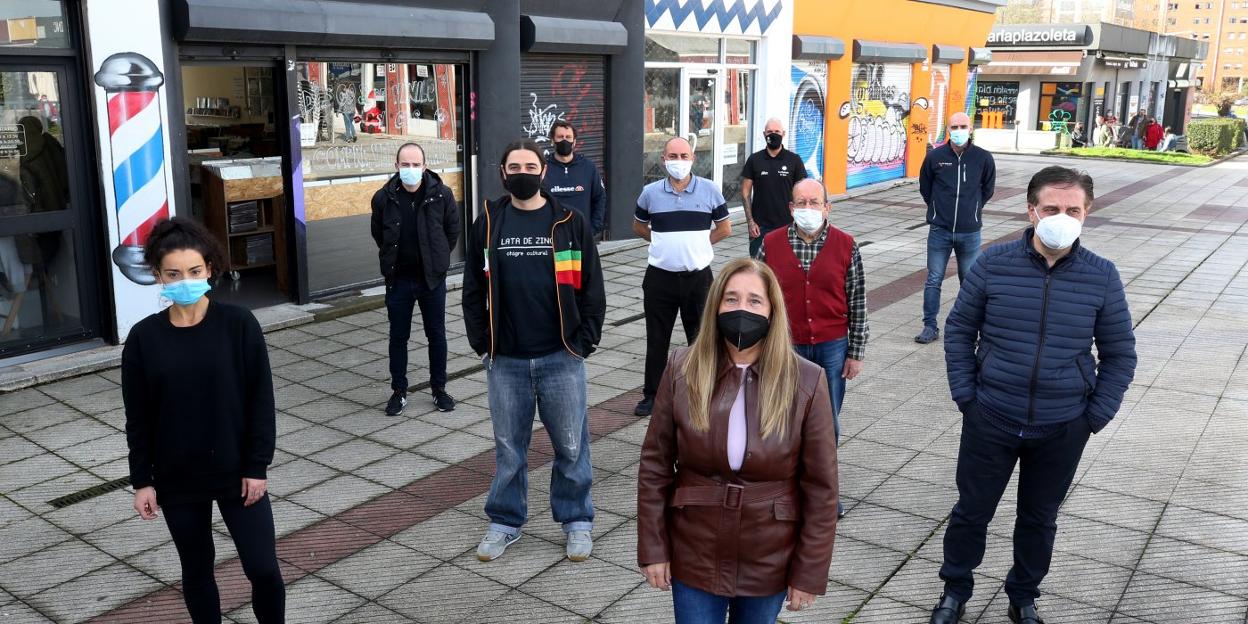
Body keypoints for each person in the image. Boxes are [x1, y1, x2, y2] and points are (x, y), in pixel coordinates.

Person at [928, 166, 1137, 624]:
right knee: (971, 512)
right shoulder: (993, 263)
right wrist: (967, 396)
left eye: (1072, 210)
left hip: (1063, 424)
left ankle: (1023, 595)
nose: (1061, 217)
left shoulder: (1102, 276)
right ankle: (954, 590)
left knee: (1039, 521)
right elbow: (960, 329)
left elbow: (1120, 354)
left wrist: (1093, 416)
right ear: (1031, 210)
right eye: (1051, 208)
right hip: (992, 416)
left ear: (1087, 214)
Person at [637, 257, 839, 624]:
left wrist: (809, 571)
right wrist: (653, 547)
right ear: (714, 305)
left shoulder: (807, 381)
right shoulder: (682, 368)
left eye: (754, 300)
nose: (741, 309)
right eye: (731, 299)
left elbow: (822, 489)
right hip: (694, 548)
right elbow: (655, 466)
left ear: (772, 310)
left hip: (770, 555)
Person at [122, 217, 284, 623]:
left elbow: (260, 401)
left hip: (237, 471)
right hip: (177, 476)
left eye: (194, 271)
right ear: (158, 276)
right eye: (173, 274)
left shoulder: (239, 325)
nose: (185, 281)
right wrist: (142, 480)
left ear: (210, 268)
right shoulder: (143, 338)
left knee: (263, 568)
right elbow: (138, 416)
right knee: (196, 572)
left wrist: (256, 466)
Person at [462, 138, 606, 563]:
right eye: (514, 166)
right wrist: (481, 344)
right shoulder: (487, 222)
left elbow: (592, 288)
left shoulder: (569, 220)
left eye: (530, 165)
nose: (522, 172)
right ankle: (505, 522)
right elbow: (473, 288)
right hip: (505, 360)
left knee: (571, 444)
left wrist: (584, 342)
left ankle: (577, 520)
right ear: (503, 173)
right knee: (509, 448)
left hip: (561, 356)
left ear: (543, 173)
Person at [759, 178, 867, 517]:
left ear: (826, 207)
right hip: (784, 345)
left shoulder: (846, 245)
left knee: (826, 422)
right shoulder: (771, 244)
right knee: (782, 419)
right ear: (791, 208)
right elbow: (759, 300)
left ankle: (825, 493)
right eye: (801, 203)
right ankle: (786, 489)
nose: (808, 209)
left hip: (831, 346)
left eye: (814, 202)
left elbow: (858, 301)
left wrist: (856, 351)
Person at [633, 137, 733, 417]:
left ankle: (702, 392)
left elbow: (725, 228)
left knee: (701, 339)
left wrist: (699, 245)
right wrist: (662, 241)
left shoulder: (710, 190)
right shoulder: (650, 193)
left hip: (698, 278)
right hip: (659, 278)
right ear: (663, 159)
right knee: (657, 339)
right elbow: (638, 226)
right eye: (672, 155)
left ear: (692, 158)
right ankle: (652, 395)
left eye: (684, 155)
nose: (679, 160)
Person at [371, 142, 461, 416]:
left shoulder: (442, 195)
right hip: (398, 281)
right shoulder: (383, 198)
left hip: (431, 280)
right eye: (405, 164)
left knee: (437, 335)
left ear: (425, 166)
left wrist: (438, 261)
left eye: (415, 164)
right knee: (398, 337)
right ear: (396, 166)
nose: (410, 169)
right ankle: (398, 391)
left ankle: (439, 388)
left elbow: (452, 232)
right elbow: (379, 234)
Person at [915, 111, 995, 345]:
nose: (958, 130)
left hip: (970, 232)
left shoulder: (983, 158)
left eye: (963, 126)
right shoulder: (935, 156)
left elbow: (987, 189)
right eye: (954, 127)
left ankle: (968, 328)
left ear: (970, 129)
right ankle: (930, 326)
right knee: (934, 278)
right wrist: (938, 209)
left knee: (969, 281)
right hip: (940, 230)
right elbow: (925, 187)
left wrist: (973, 209)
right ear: (947, 129)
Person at [741, 118, 808, 258]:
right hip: (759, 228)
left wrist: (801, 222)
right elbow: (745, 192)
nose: (773, 134)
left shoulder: (794, 160)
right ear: (764, 134)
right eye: (770, 131)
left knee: (785, 268)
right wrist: (750, 222)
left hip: (788, 226)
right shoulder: (754, 159)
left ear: (783, 134)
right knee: (759, 269)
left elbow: (803, 193)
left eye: (777, 131)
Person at [543, 120, 608, 237]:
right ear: (552, 141)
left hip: (582, 236)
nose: (564, 140)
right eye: (560, 137)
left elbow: (599, 198)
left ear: (574, 142)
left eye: (568, 137)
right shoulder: (543, 168)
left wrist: (593, 228)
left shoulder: (588, 167)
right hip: (552, 236)